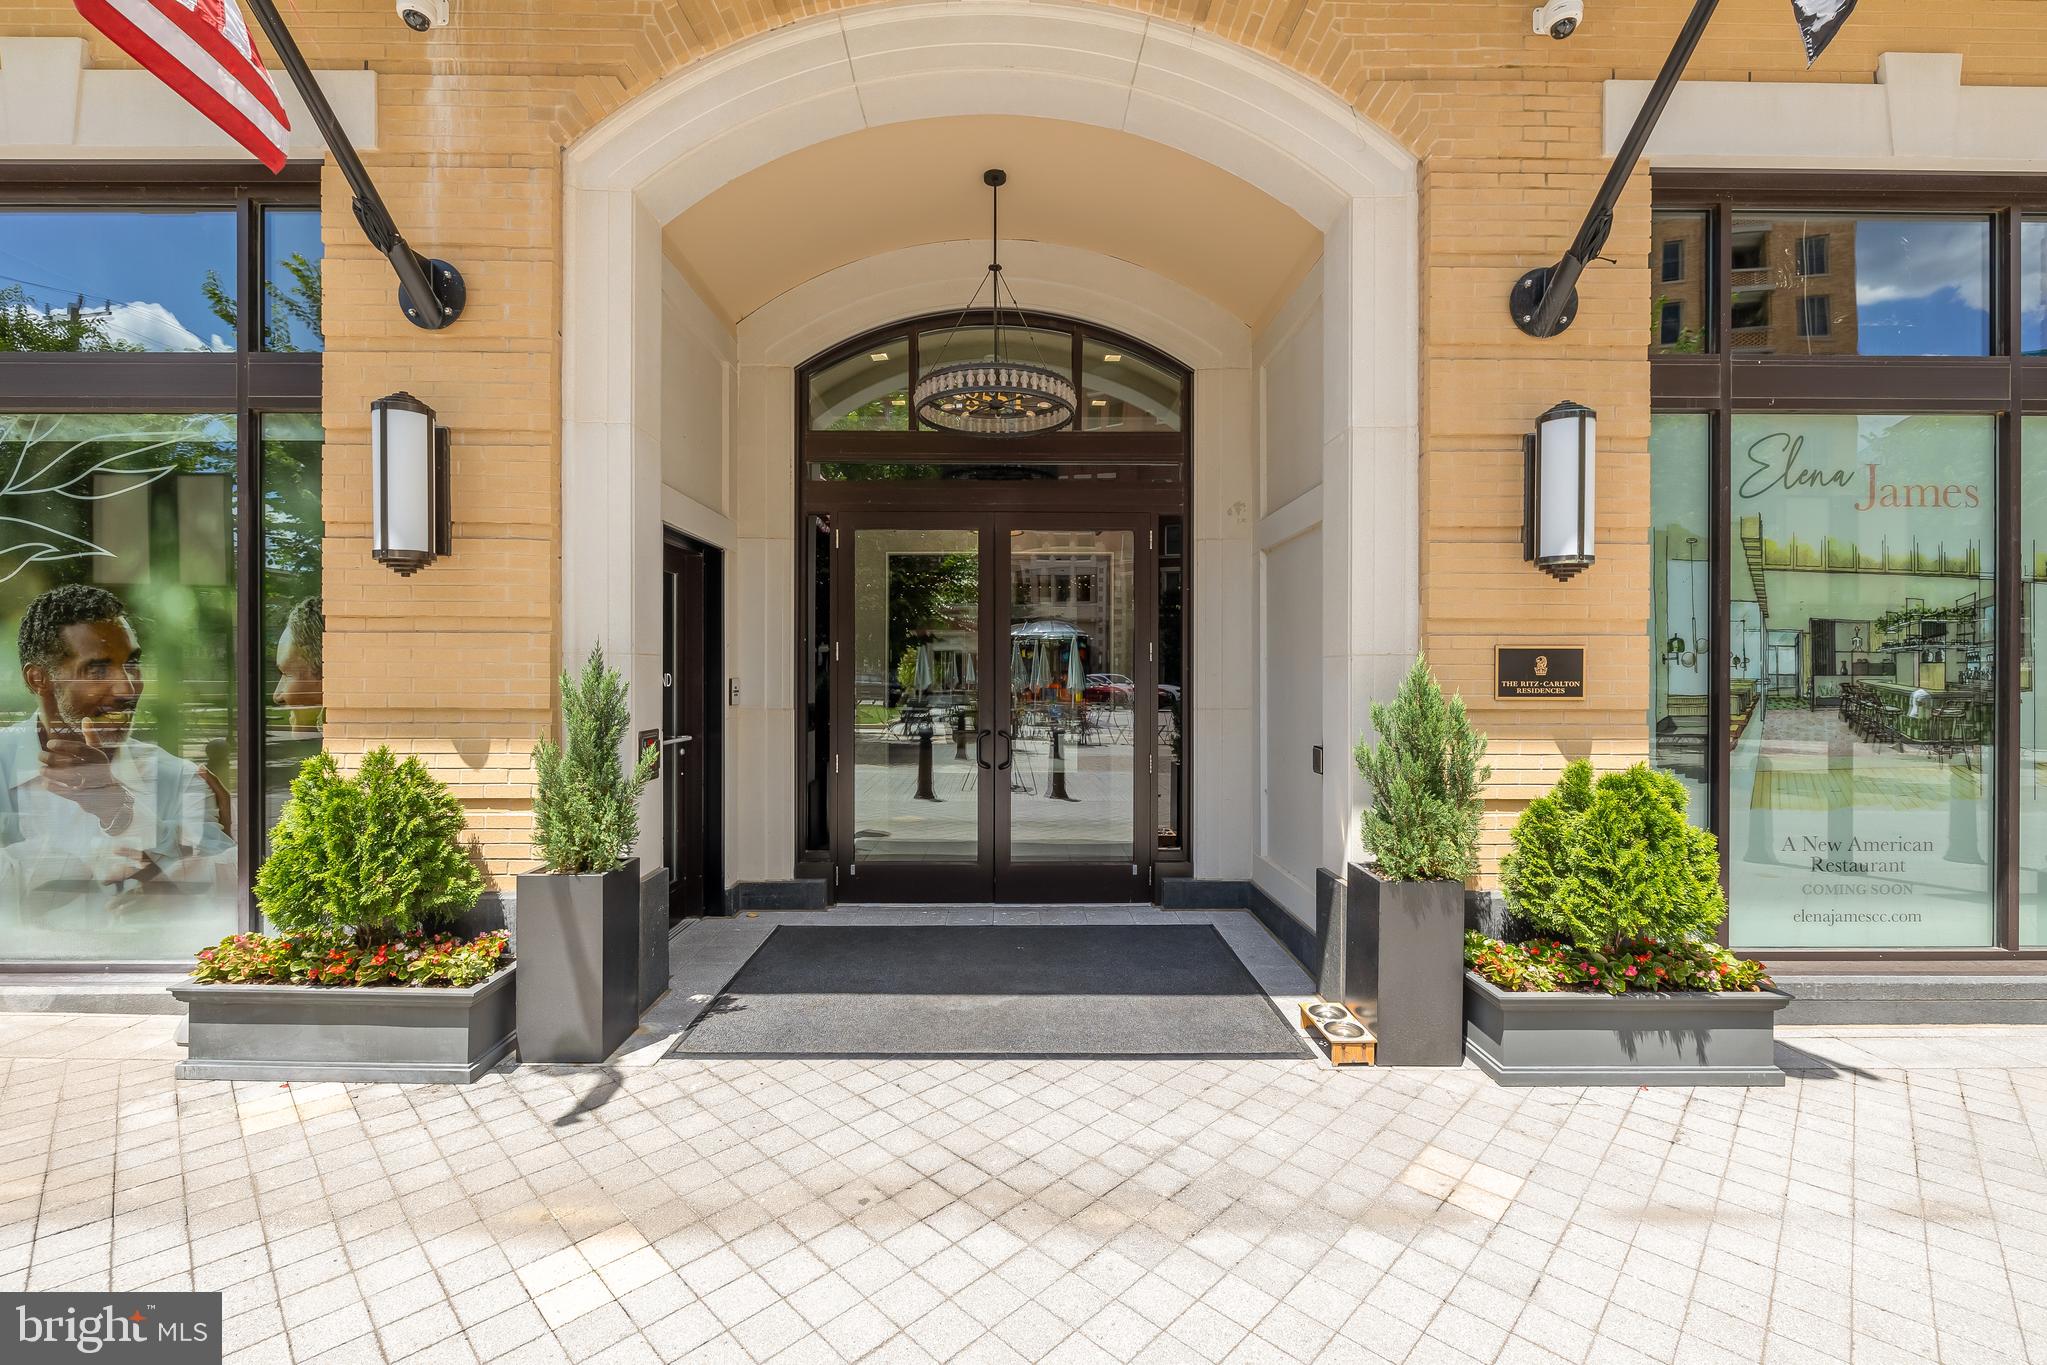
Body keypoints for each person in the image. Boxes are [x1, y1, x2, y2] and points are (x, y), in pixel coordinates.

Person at [0, 584, 235, 924]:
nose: (127, 689)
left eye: (132, 664)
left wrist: (120, 810)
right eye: (97, 670)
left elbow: (231, 898)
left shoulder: (180, 779)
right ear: (39, 679)